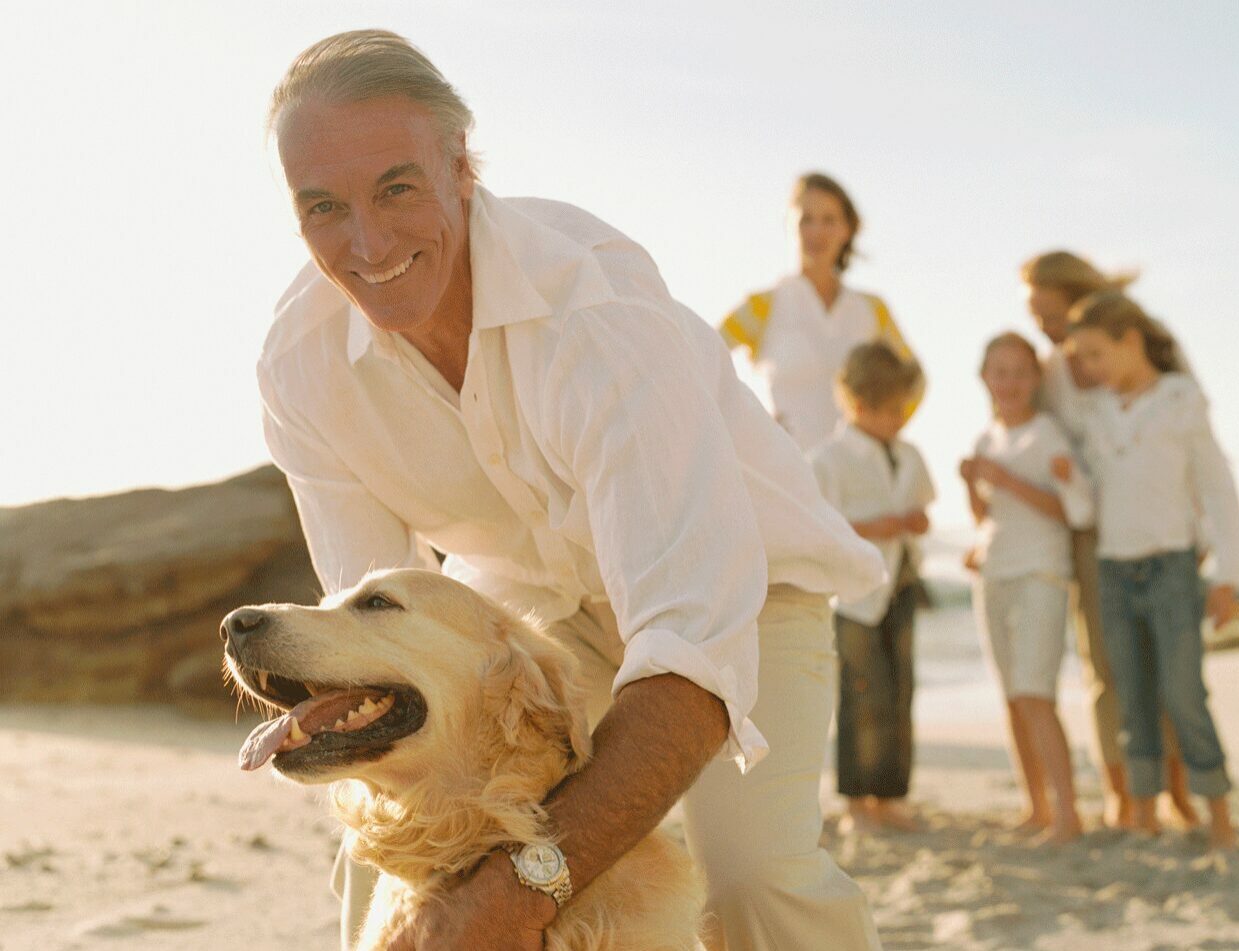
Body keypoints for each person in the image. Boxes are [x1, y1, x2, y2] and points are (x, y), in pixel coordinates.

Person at [258, 30, 888, 951]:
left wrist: (526, 886)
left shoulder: (595, 306)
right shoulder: (301, 366)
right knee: (387, 854)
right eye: (323, 207)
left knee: (752, 882)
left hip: (738, 591)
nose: (366, 241)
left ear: (460, 166)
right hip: (534, 613)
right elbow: (382, 646)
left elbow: (689, 646)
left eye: (397, 186)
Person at [1068, 292, 1239, 849]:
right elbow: (1089, 502)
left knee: (1183, 693)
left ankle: (1220, 819)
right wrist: (1063, 480)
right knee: (1133, 695)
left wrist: (1227, 575)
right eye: (1081, 358)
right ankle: (1145, 815)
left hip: (1172, 569)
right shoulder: (1095, 412)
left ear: (1131, 340)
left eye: (1097, 354)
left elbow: (1216, 487)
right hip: (1112, 571)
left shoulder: (1181, 400)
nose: (1089, 369)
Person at [1020, 251, 1199, 830]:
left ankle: (1176, 790)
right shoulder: (1049, 373)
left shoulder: (1145, 347)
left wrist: (1198, 528)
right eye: (1035, 319)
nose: (1044, 330)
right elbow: (1037, 448)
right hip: (1087, 534)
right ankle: (1122, 793)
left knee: (1165, 661)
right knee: (1106, 666)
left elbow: (1191, 442)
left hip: (1156, 525)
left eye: (1050, 315)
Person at [959, 333, 1094, 845]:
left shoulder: (1048, 435)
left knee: (1037, 695)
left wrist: (1005, 479)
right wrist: (974, 484)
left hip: (1041, 572)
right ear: (984, 378)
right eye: (1000, 371)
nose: (1009, 382)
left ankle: (1068, 813)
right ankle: (1035, 807)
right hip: (994, 573)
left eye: (1019, 371)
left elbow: (1075, 512)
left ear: (1036, 379)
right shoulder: (986, 438)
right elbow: (985, 517)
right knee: (1012, 698)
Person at [809, 342, 934, 833]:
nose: (899, 420)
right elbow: (820, 526)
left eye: (903, 410)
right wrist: (874, 527)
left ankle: (891, 797)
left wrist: (913, 523)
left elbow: (922, 512)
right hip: (855, 595)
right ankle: (858, 803)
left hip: (901, 585)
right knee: (862, 695)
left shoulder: (909, 455)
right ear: (859, 406)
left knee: (901, 691)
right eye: (890, 412)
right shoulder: (829, 459)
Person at [720, 173, 925, 451]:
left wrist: (884, 430)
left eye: (829, 220)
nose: (816, 231)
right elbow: (702, 356)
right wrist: (746, 425)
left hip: (858, 480)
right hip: (786, 473)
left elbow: (915, 378)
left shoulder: (873, 310)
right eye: (806, 219)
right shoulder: (762, 306)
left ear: (847, 229)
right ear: (789, 225)